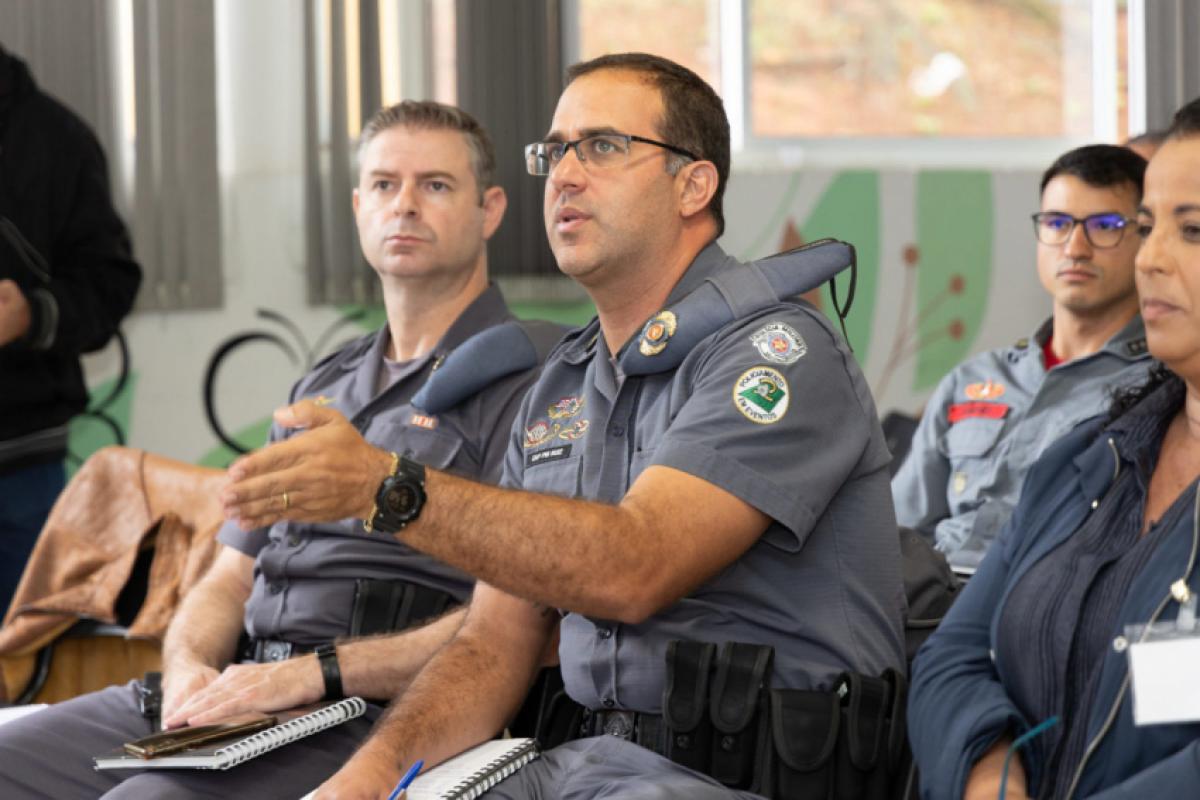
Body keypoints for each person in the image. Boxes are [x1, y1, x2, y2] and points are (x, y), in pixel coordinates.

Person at [226, 53, 906, 798]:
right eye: (554, 151)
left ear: (694, 184)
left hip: (733, 776)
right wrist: (366, 782)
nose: (564, 175)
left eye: (603, 147)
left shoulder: (776, 356)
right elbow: (491, 645)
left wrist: (387, 488)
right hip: (581, 762)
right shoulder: (561, 384)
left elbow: (635, 566)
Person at [0, 100, 562, 798]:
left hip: (365, 712)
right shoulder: (322, 384)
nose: (406, 205)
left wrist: (309, 673)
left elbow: (512, 633)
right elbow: (230, 577)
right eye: (385, 185)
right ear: (358, 206)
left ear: (491, 209)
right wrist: (188, 669)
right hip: (234, 695)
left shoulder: (535, 381)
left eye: (436, 185)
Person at [909, 97, 1200, 800]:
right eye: (1148, 226)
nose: (1150, 259)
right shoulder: (1089, 457)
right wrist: (988, 770)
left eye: (1192, 230)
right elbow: (951, 653)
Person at [892, 145, 1153, 573]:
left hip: (1045, 605)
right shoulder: (975, 378)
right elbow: (899, 529)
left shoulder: (1159, 387)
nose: (1075, 247)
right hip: (929, 603)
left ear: (1146, 236)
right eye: (1057, 223)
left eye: (1104, 226)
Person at [0, 43, 142, 612]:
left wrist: (32, 315)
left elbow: (111, 284)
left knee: (24, 673)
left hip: (18, 468)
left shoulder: (56, 140)